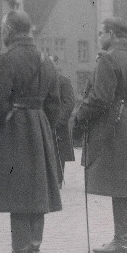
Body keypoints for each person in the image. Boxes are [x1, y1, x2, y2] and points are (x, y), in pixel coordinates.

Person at [0, 10, 62, 253]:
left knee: (17, 192)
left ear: (10, 30)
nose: (1, 33)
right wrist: (43, 124)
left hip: (15, 128)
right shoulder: (46, 60)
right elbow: (55, 103)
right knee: (35, 193)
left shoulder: (6, 59)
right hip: (39, 126)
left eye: (3, 28)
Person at [73, 18, 127, 253]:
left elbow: (100, 98)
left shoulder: (108, 59)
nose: (99, 38)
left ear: (111, 33)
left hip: (115, 123)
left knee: (120, 181)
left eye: (101, 33)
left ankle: (122, 240)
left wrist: (79, 116)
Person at [49, 55, 76, 186]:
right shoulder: (43, 81)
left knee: (59, 153)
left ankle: (58, 181)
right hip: (46, 123)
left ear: (56, 64)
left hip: (59, 125)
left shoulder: (63, 81)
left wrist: (60, 120)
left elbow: (69, 102)